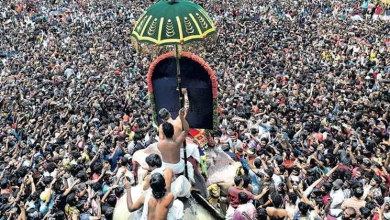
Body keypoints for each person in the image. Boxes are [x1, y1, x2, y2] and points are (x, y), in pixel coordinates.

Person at [157, 108, 194, 183]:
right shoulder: (176, 143)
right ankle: (190, 182)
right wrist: (181, 118)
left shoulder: (159, 144)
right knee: (189, 165)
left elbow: (161, 140)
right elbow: (187, 130)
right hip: (178, 162)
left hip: (165, 165)